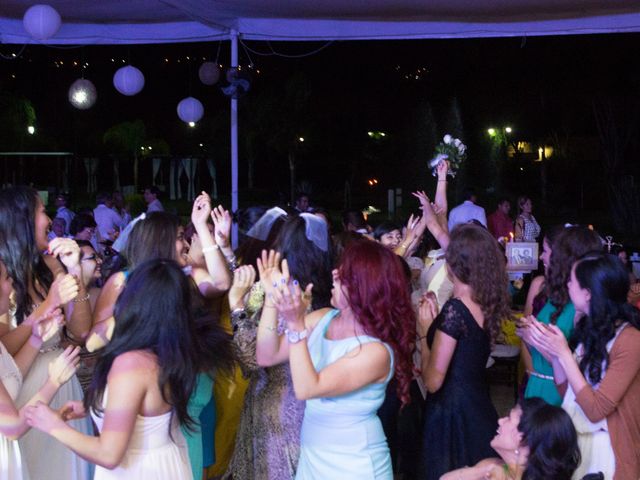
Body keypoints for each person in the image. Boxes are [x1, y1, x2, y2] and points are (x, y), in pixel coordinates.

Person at [26, 259, 234, 479]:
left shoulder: (132, 363)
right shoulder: (172, 351)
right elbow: (148, 410)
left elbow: (108, 454)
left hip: (139, 470)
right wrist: (97, 406)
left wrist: (53, 425)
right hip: (167, 464)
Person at [261, 239, 415, 479]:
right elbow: (266, 355)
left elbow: (308, 388)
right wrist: (273, 298)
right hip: (313, 457)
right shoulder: (323, 318)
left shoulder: (376, 352)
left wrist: (294, 324)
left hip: (355, 464)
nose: (334, 272)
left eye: (345, 272)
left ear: (364, 286)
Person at [227, 213, 333, 480]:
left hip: (274, 403)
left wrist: (237, 306)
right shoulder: (325, 295)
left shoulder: (273, 292)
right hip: (311, 401)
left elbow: (251, 357)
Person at [0, 186, 93, 480]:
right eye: (42, 211)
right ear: (23, 219)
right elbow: (2, 346)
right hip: (23, 394)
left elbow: (80, 331)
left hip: (63, 385)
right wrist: (48, 305)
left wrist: (74, 270)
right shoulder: (2, 276)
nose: (50, 219)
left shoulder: (50, 266)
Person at [525, 252, 640, 480]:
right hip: (576, 446)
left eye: (572, 281)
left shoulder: (631, 340)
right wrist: (552, 350)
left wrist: (563, 353)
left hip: (609, 452)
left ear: (588, 294)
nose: (567, 284)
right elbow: (567, 392)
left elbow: (596, 410)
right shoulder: (589, 327)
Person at [418, 224, 512, 480]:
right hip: (478, 405)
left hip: (451, 414)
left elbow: (433, 381)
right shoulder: (485, 301)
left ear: (453, 265)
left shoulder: (455, 309)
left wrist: (425, 331)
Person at [519, 225, 602, 406]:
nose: (543, 257)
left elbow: (580, 368)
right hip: (536, 384)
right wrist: (528, 336)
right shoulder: (554, 297)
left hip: (558, 392)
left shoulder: (582, 306)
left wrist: (536, 340)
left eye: (551, 252)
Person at [442, 398, 580, 480]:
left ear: (522, 438)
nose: (501, 421)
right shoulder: (491, 465)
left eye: (509, 418)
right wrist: (483, 471)